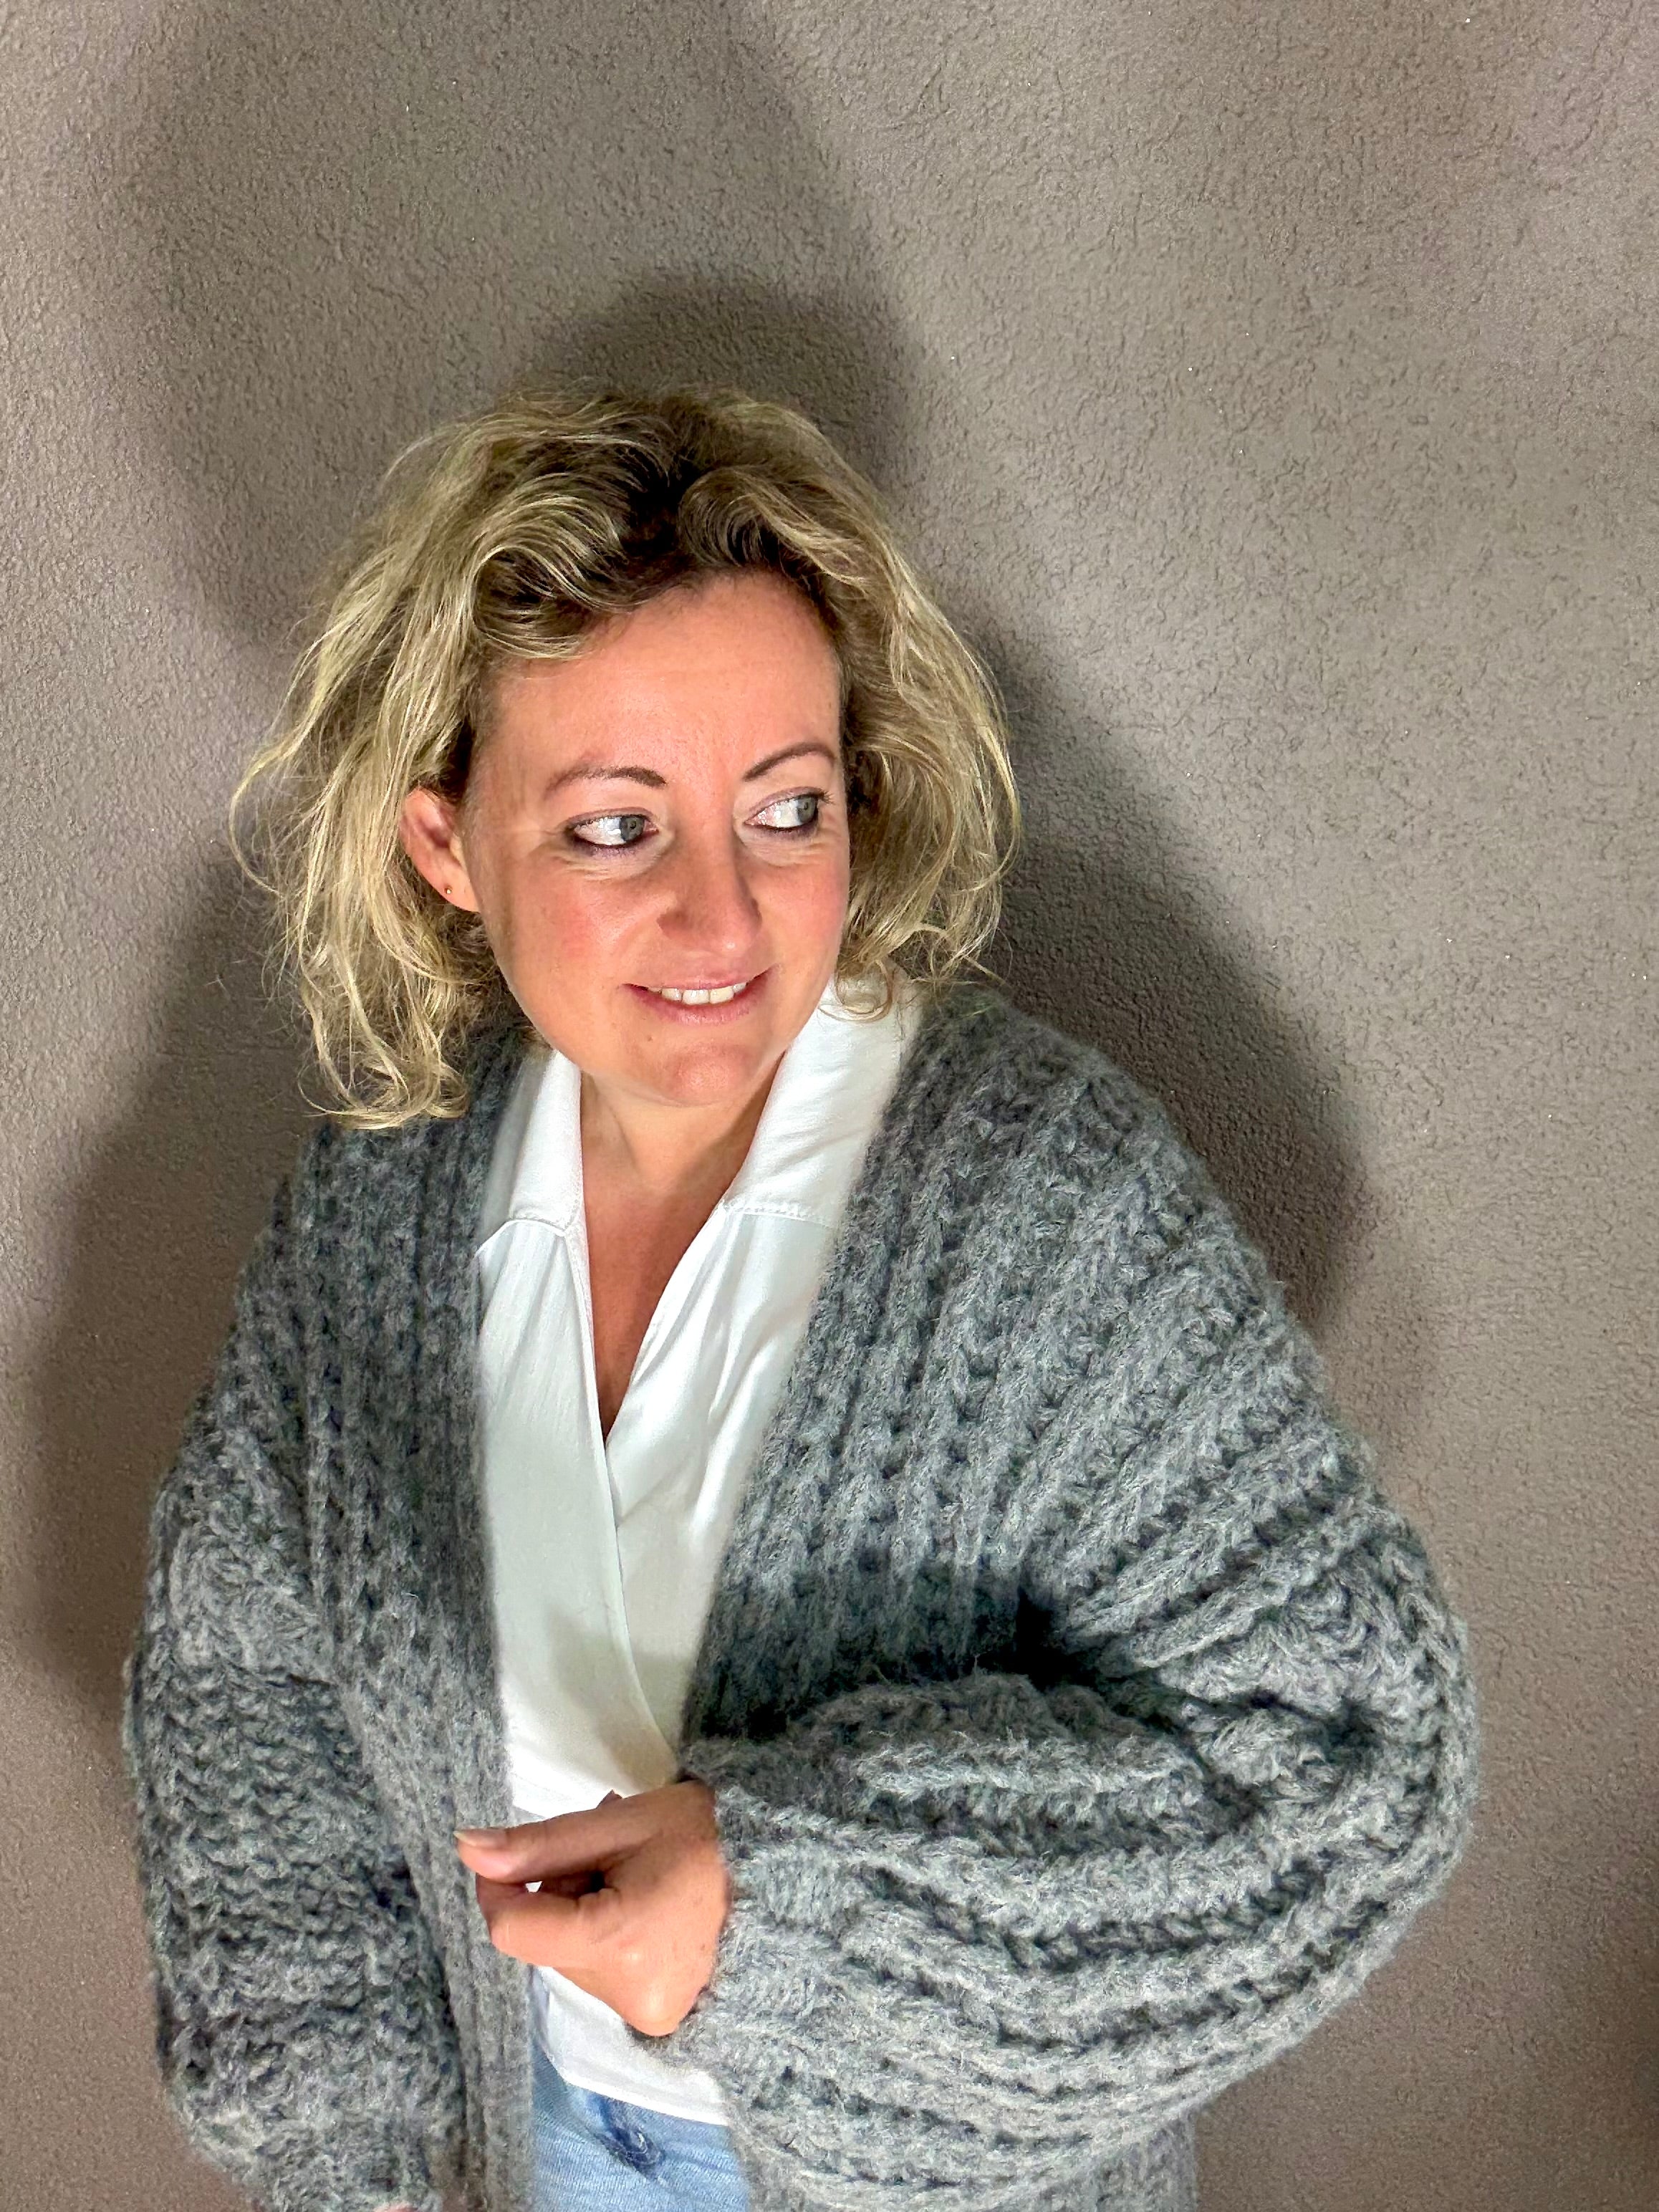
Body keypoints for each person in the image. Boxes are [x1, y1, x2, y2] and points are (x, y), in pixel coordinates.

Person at [121, 385, 1480, 2212]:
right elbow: (245, 1677)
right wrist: (347, 2162)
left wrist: (779, 1916)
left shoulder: (1037, 1210)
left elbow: (1344, 1754)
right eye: (616, 828)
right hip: (524, 2155)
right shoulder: (381, 1201)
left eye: (787, 807)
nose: (723, 918)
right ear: (447, 843)